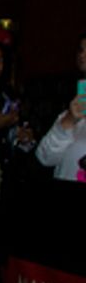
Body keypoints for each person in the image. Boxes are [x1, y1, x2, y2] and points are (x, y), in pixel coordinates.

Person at [34, 33, 86, 182]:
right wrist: (69, 120)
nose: (82, 55)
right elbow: (44, 158)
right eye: (81, 50)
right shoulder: (71, 108)